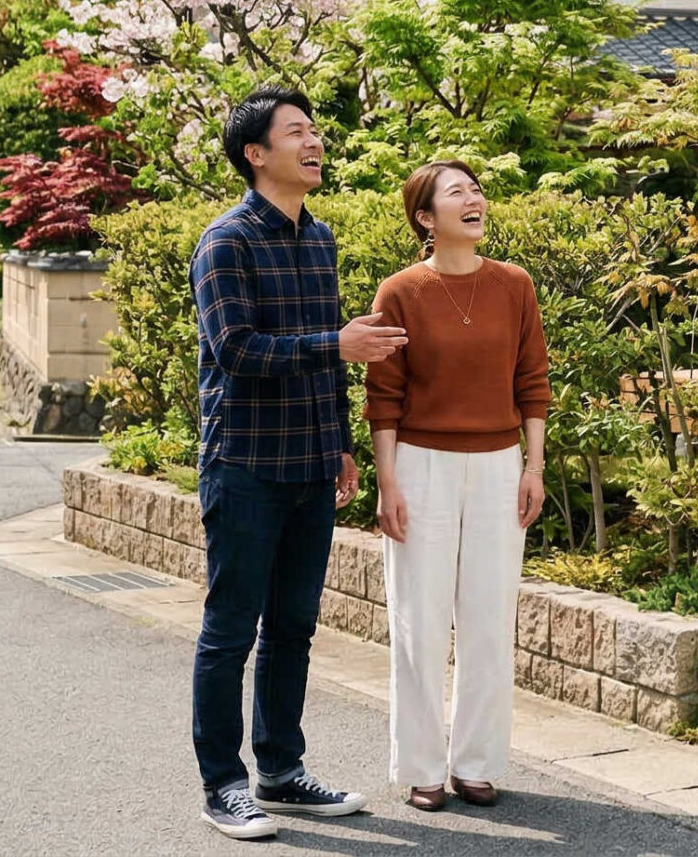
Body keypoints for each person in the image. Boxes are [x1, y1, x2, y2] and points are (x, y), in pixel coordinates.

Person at [188, 85, 406, 841]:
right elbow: (236, 351)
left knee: (292, 627)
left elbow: (325, 355)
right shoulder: (226, 241)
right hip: (244, 461)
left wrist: (339, 442)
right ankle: (224, 784)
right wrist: (334, 346)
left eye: (316, 130)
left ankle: (280, 769)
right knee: (229, 632)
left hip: (310, 462)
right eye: (297, 132)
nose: (314, 142)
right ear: (256, 153)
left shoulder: (319, 239)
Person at [362, 160, 550, 812]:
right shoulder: (400, 291)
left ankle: (477, 761)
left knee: (490, 618)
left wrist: (534, 466)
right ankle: (421, 766)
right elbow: (382, 396)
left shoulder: (514, 286)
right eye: (456, 192)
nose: (474, 199)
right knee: (419, 618)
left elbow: (533, 382)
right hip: (420, 463)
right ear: (425, 216)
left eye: (476, 189)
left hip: (500, 465)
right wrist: (388, 482)